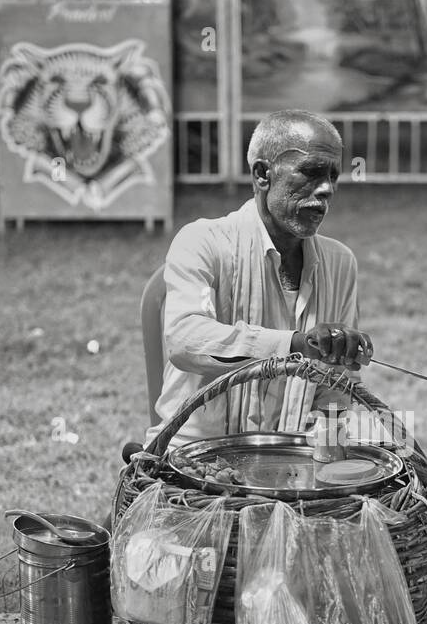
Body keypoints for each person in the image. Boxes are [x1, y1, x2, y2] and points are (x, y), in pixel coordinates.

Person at [145, 109, 372, 447]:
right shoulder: (202, 241)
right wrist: (293, 346)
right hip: (196, 460)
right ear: (262, 174)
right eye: (310, 172)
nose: (326, 189)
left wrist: (331, 452)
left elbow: (335, 391)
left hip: (292, 461)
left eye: (333, 176)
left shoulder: (340, 263)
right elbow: (185, 340)